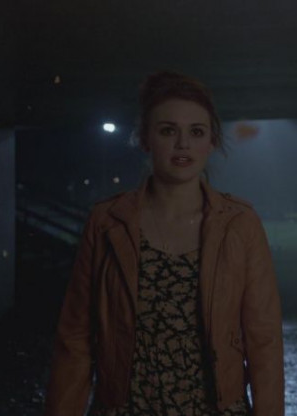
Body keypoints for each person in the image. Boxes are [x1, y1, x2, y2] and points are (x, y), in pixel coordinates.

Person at [44, 71, 284, 416]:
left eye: (196, 132)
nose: (183, 144)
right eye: (168, 131)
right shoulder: (108, 222)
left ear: (212, 142)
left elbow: (264, 341)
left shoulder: (239, 224)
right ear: (145, 139)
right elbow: (76, 339)